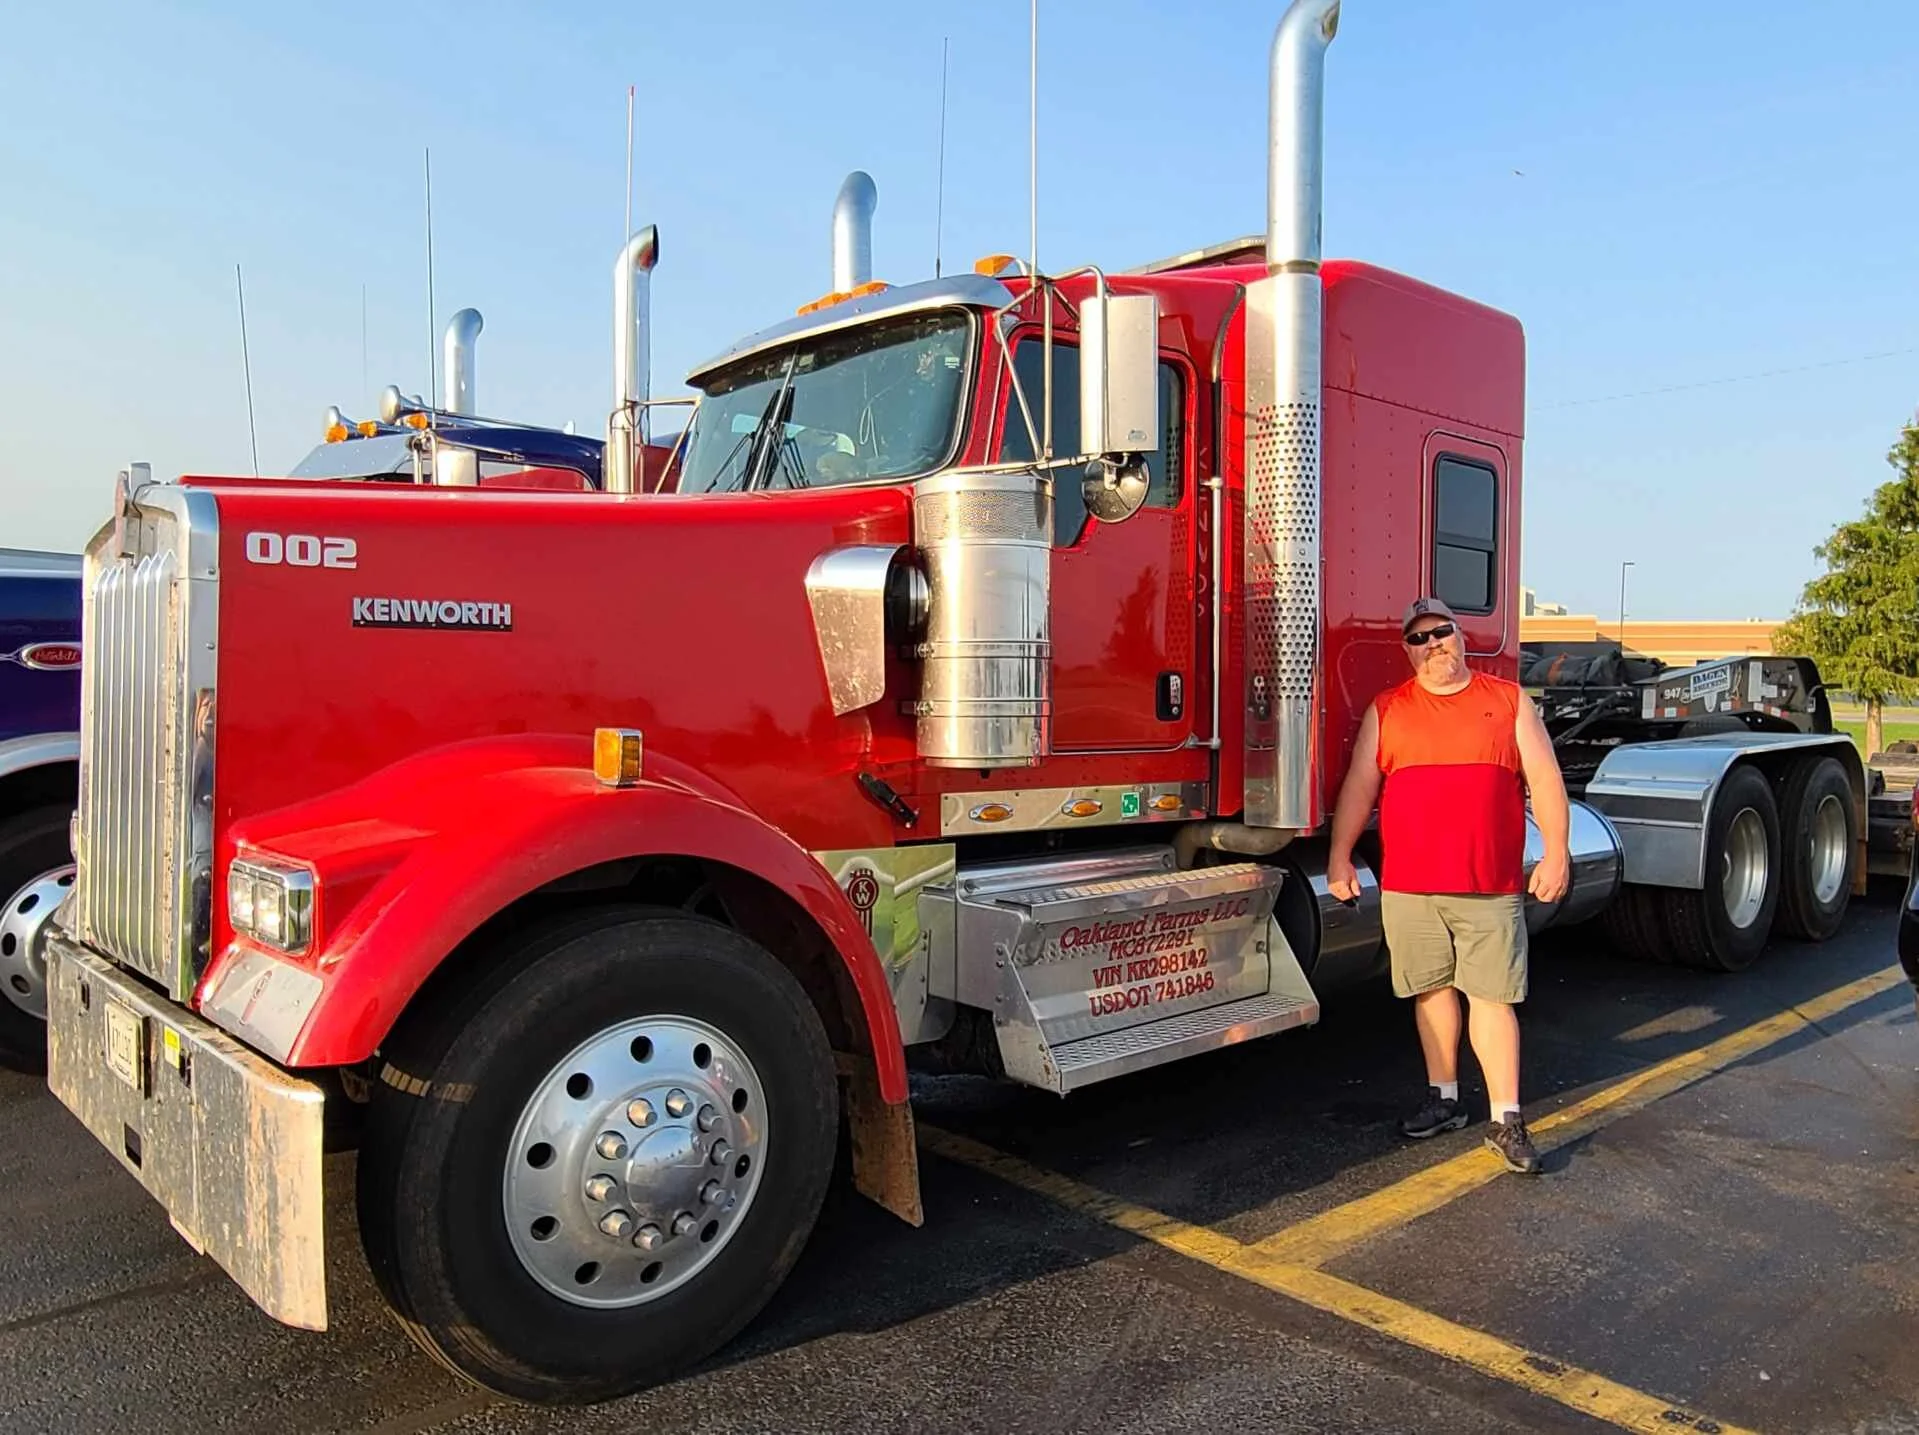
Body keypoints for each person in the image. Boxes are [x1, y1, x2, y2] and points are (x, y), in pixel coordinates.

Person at [1326, 597, 1571, 1175]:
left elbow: (1545, 780)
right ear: (1406, 652)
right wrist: (1340, 858)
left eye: (1442, 632)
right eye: (1419, 638)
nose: (1432, 644)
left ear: (1462, 637)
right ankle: (1445, 1099)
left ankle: (1506, 1119)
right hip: (1412, 887)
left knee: (1492, 998)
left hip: (1488, 885)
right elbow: (1361, 788)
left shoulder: (1507, 701)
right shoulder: (1388, 710)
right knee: (1431, 992)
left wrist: (1557, 855)